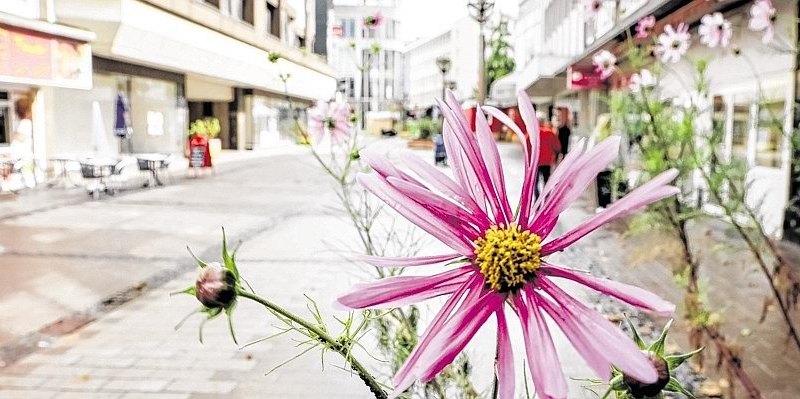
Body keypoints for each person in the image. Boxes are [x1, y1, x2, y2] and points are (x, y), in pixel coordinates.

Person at [536, 112, 560, 197]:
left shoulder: (532, 133)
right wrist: (556, 159)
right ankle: (546, 198)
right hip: (547, 161)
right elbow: (557, 147)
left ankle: (537, 199)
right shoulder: (550, 132)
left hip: (536, 162)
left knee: (535, 183)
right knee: (546, 181)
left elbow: (527, 148)